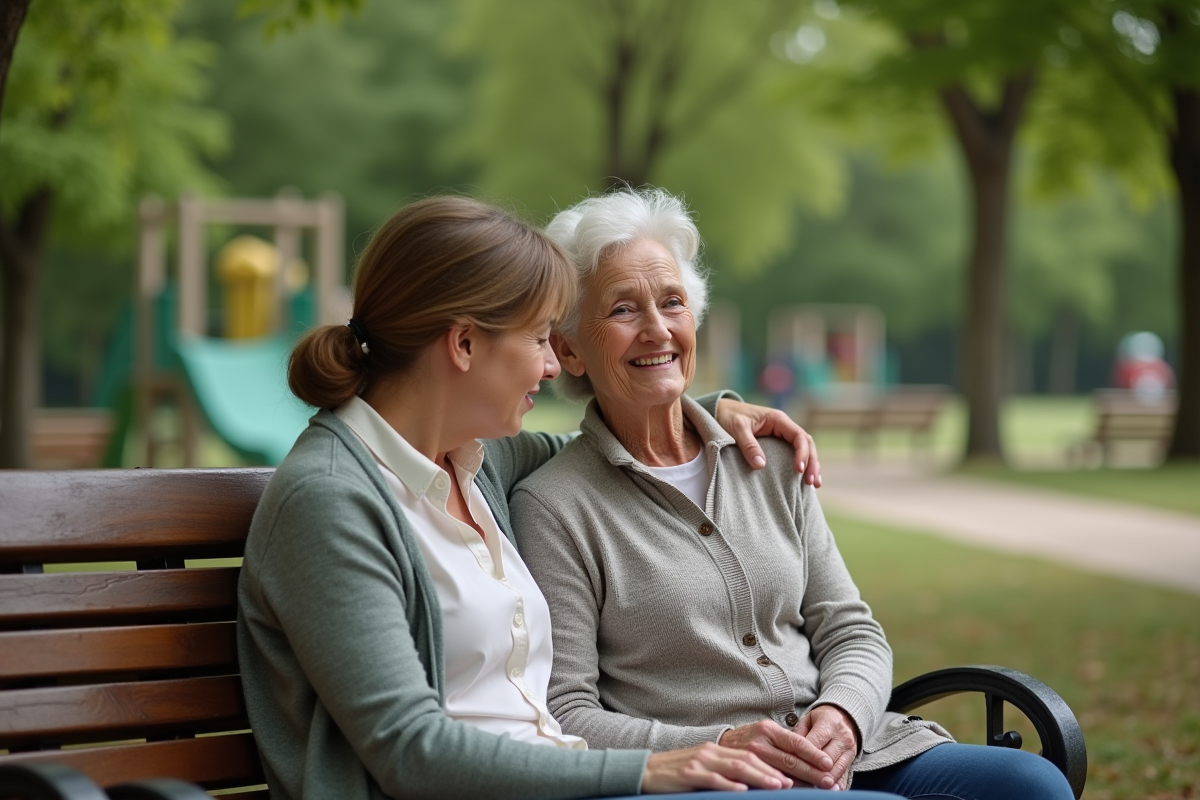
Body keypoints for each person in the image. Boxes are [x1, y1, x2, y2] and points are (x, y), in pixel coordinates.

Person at [237, 195, 902, 800]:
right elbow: (411, 752)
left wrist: (714, 411)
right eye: (536, 339)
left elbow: (622, 447)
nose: (553, 365)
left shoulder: (473, 459)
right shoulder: (330, 500)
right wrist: (652, 767)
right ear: (464, 343)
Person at [509, 188, 1076, 800]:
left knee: (1031, 784)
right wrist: (717, 745)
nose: (657, 330)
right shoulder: (555, 507)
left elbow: (851, 629)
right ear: (567, 348)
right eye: (622, 310)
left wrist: (845, 715)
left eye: (672, 303)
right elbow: (566, 713)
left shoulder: (771, 459)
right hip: (717, 781)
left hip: (852, 752)